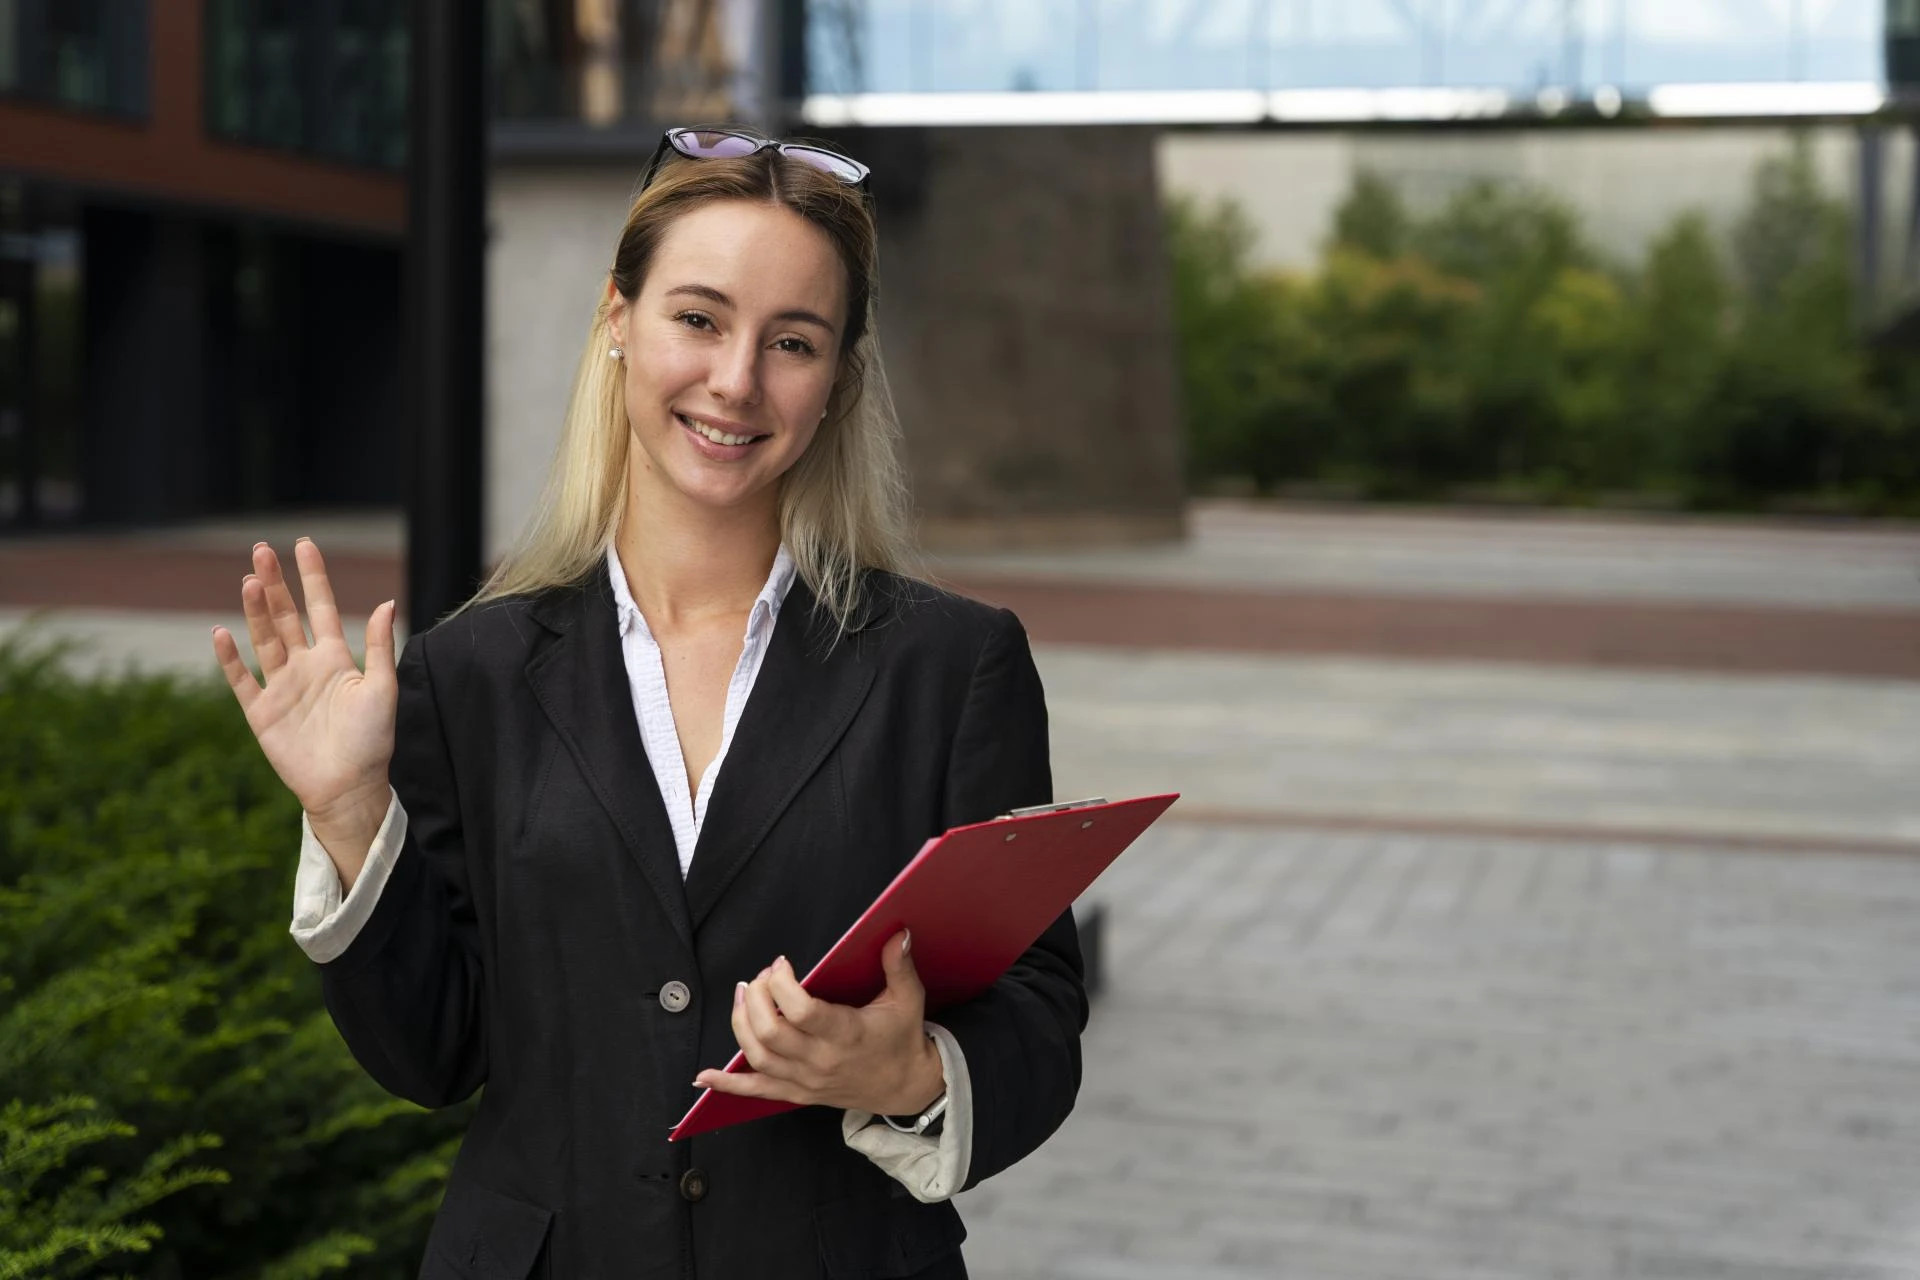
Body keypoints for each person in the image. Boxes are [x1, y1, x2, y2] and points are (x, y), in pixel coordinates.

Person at [210, 127, 1086, 1279]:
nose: (736, 379)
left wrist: (907, 1072)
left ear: (838, 379)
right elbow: (433, 1052)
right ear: (618, 318)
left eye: (793, 341)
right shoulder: (467, 671)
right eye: (699, 318)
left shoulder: (950, 666)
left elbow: (1037, 1016)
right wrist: (346, 813)